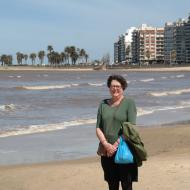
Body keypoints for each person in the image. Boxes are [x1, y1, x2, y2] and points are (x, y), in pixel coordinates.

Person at [96, 74, 137, 190]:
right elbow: (98, 127)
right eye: (112, 86)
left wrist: (115, 145)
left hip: (125, 150)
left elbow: (131, 127)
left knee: (126, 185)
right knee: (112, 185)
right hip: (106, 151)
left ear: (123, 87)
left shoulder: (129, 103)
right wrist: (106, 144)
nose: (115, 89)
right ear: (109, 87)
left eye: (118, 86)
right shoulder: (103, 104)